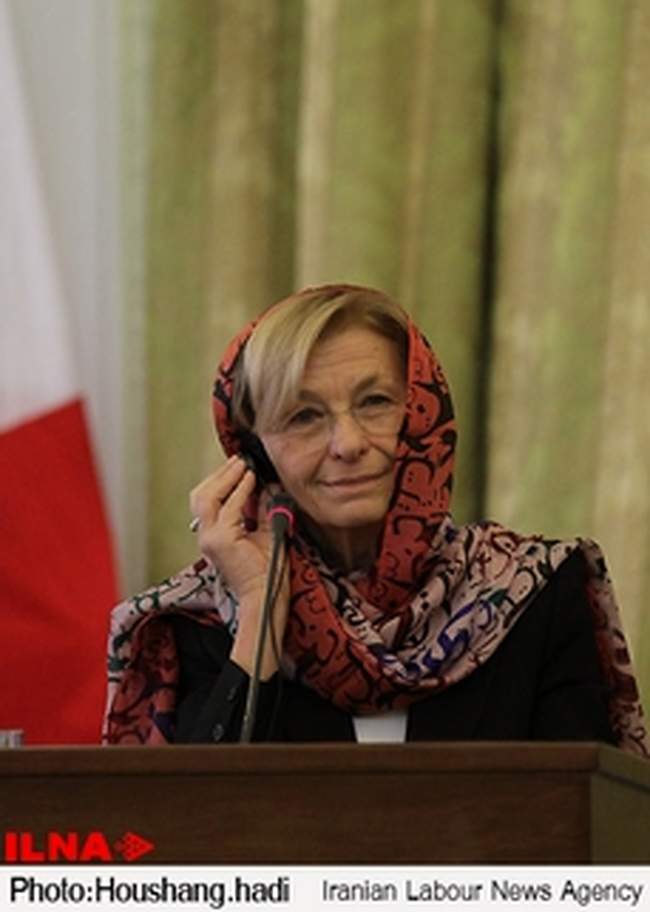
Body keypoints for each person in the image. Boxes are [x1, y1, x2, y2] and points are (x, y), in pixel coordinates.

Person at [103, 285, 647, 754]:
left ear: (424, 416)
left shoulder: (534, 593)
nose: (348, 444)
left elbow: (587, 819)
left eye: (375, 402)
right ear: (255, 455)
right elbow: (199, 823)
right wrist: (258, 610)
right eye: (304, 415)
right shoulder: (199, 623)